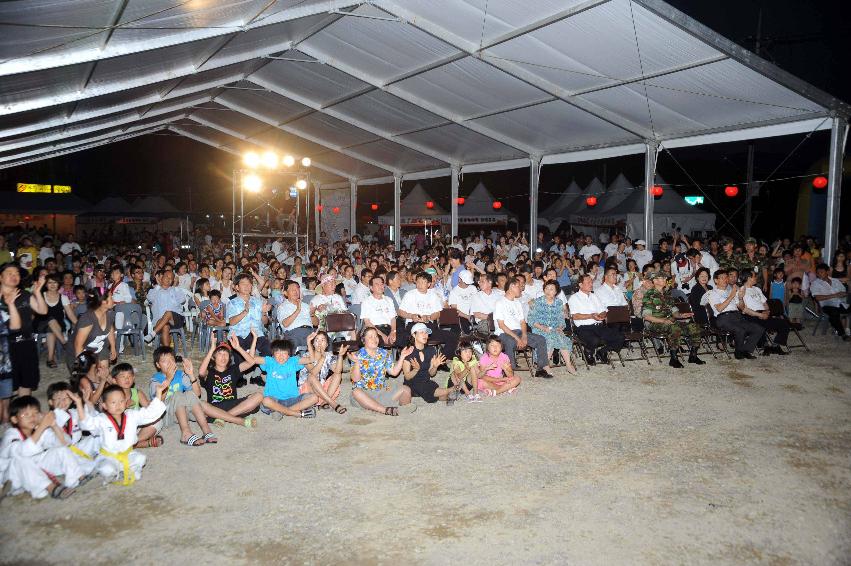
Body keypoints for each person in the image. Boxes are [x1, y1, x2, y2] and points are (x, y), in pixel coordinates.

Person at [81, 383, 167, 485]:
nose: (118, 405)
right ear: (104, 406)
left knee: (141, 459)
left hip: (127, 454)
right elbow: (87, 424)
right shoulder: (102, 420)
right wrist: (82, 403)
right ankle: (106, 468)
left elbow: (149, 414)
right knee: (107, 470)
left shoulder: (131, 415)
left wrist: (158, 393)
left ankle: (122, 470)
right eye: (113, 402)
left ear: (125, 402)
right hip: (109, 456)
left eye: (121, 401)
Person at [0, 395, 86, 499]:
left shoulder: (39, 429)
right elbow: (22, 452)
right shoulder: (11, 434)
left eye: (35, 413)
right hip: (12, 476)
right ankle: (52, 488)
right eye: (26, 414)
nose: (32, 417)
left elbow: (65, 443)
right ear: (14, 419)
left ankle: (76, 478)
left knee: (61, 450)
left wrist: (54, 425)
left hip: (35, 470)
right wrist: (42, 426)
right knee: (21, 460)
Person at [149, 347, 217, 446]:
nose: (169, 363)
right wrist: (168, 379)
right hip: (165, 416)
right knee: (177, 394)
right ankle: (185, 433)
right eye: (165, 361)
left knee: (189, 393)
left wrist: (191, 374)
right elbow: (158, 402)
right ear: (158, 365)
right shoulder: (155, 380)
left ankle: (206, 430)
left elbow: (197, 394)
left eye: (171, 359)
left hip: (182, 413)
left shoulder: (180, 375)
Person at [240, 339, 318, 419]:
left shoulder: (293, 361)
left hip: (293, 399)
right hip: (274, 400)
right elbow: (251, 358)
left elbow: (311, 360)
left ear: (289, 355)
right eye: (278, 353)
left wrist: (308, 342)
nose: (281, 356)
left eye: (284, 353)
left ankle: (283, 412)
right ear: (273, 355)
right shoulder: (270, 361)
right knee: (265, 401)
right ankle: (292, 412)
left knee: (314, 398)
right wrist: (255, 339)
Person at [0, 264, 47, 396]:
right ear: (0, 277)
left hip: (27, 343)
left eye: (17, 274)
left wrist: (37, 292)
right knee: (7, 388)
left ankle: (24, 411)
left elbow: (42, 311)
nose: (14, 276)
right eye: (10, 273)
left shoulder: (25, 294)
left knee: (27, 382)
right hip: (6, 347)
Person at [198, 333, 263, 427]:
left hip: (234, 405)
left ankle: (222, 418)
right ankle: (238, 421)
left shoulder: (233, 370)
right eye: (220, 354)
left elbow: (251, 362)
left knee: (259, 396)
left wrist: (238, 348)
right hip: (215, 407)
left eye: (226, 354)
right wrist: (212, 349)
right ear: (213, 357)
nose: (223, 357)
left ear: (229, 358)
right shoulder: (209, 372)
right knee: (201, 404)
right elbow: (201, 372)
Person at [493, 276, 553, 378]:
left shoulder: (517, 303)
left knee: (541, 339)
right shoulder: (500, 303)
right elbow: (502, 325)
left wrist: (524, 336)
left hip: (519, 332)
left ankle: (540, 369)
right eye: (518, 286)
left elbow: (522, 322)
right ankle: (509, 372)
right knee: (510, 342)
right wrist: (518, 339)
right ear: (511, 287)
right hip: (504, 334)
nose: (521, 288)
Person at [642, 272, 705, 367]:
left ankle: (693, 356)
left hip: (670, 321)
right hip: (655, 323)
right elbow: (646, 316)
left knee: (694, 326)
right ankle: (673, 358)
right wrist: (664, 321)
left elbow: (674, 311)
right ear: (654, 281)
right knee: (674, 327)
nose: (665, 280)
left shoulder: (667, 294)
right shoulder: (649, 295)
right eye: (662, 278)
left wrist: (681, 315)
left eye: (665, 278)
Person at [700, 270, 764, 358]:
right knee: (740, 330)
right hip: (723, 318)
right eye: (722, 278)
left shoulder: (731, 291)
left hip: (737, 316)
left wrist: (741, 298)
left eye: (726, 277)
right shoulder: (712, 293)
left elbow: (741, 307)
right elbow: (719, 308)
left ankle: (746, 350)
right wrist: (732, 295)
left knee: (758, 329)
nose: (725, 280)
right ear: (716, 280)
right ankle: (738, 352)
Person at [349, 327, 413, 416]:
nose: (374, 339)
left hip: (381, 391)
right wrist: (356, 363)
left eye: (376, 336)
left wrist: (402, 356)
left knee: (406, 389)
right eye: (370, 337)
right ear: (363, 340)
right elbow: (355, 379)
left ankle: (403, 409)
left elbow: (394, 372)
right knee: (356, 392)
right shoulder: (357, 355)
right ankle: (385, 410)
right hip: (365, 394)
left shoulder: (384, 353)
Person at [568, 273, 625, 365]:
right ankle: (588, 352)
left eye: (591, 282)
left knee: (620, 337)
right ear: (580, 285)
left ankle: (602, 351)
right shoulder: (574, 298)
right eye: (588, 282)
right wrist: (591, 316)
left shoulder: (594, 296)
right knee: (595, 340)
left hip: (598, 325)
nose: (591, 284)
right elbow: (575, 316)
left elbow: (604, 310)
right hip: (583, 328)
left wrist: (602, 315)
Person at [397, 271, 456, 356]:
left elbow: (438, 313)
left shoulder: (433, 295)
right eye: (418, 282)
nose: (420, 284)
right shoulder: (409, 294)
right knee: (411, 338)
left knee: (452, 336)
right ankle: (416, 360)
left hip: (429, 326)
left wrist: (428, 317)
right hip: (413, 325)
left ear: (429, 284)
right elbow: (401, 312)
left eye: (423, 282)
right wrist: (411, 316)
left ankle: (441, 360)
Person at [109, 363, 164, 448]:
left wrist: (156, 399)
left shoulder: (137, 393)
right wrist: (124, 408)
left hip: (137, 428)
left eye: (129, 376)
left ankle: (134, 443)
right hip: (121, 429)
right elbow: (109, 418)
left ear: (133, 378)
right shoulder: (112, 395)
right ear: (114, 381)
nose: (127, 379)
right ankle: (144, 443)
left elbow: (150, 410)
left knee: (157, 421)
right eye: (122, 376)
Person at [528, 280, 576, 373]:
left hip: (554, 329)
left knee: (563, 339)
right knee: (549, 339)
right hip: (539, 328)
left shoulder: (558, 303)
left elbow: (561, 319)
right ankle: (545, 365)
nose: (548, 291)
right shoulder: (537, 302)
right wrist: (543, 328)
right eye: (546, 289)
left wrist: (560, 327)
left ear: (556, 292)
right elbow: (531, 320)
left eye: (551, 289)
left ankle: (568, 365)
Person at [402, 323, 454, 404]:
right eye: (421, 332)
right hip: (412, 384)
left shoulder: (431, 350)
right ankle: (451, 390)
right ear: (414, 335)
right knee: (427, 388)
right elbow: (407, 377)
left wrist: (435, 367)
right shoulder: (408, 352)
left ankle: (449, 397)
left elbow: (431, 374)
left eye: (426, 332)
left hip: (425, 381)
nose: (425, 335)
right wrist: (415, 370)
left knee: (429, 388)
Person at [740, 271, 790, 353]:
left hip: (763, 314)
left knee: (784, 323)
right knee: (759, 325)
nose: (756, 278)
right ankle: (765, 345)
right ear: (749, 278)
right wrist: (759, 314)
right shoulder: (742, 290)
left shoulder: (757, 289)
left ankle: (775, 346)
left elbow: (765, 303)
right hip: (751, 315)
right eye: (754, 276)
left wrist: (767, 312)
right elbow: (744, 309)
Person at [297, 331, 347, 414]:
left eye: (323, 340)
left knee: (337, 375)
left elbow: (337, 370)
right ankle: (332, 403)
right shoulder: (306, 356)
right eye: (317, 340)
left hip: (321, 390)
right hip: (308, 389)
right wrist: (322, 358)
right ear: (313, 344)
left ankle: (324, 402)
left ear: (327, 344)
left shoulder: (329, 355)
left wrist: (340, 356)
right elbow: (313, 373)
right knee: (312, 377)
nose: (320, 343)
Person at [68, 289, 117, 372]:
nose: (114, 299)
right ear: (103, 302)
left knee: (103, 375)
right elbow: (78, 345)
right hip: (82, 352)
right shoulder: (88, 319)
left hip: (99, 348)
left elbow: (110, 329)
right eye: (111, 297)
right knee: (90, 379)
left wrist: (113, 347)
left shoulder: (110, 314)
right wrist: (82, 365)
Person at [33, 274, 71, 368]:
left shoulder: (63, 297)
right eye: (50, 282)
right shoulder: (40, 295)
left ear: (59, 284)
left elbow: (70, 314)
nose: (52, 284)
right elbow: (34, 313)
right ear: (45, 284)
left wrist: (79, 324)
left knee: (51, 327)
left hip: (57, 325)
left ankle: (50, 359)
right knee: (50, 319)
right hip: (40, 324)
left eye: (55, 282)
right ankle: (64, 343)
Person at [145, 270, 186, 347]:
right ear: (162, 277)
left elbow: (182, 300)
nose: (168, 279)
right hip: (159, 321)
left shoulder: (175, 290)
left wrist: (175, 287)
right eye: (166, 276)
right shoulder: (154, 291)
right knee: (165, 326)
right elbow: (149, 298)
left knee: (168, 312)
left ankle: (152, 334)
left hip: (176, 320)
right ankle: (168, 352)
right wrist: (158, 285)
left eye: (171, 278)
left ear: (173, 281)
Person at [809, 263, 850, 340]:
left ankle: (841, 327)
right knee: (834, 312)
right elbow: (818, 298)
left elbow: (844, 292)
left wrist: (842, 294)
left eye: (821, 272)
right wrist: (834, 295)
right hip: (826, 305)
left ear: (827, 272)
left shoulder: (835, 281)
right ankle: (843, 334)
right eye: (818, 273)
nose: (819, 274)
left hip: (840, 303)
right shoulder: (815, 283)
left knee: (837, 312)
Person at [360, 275, 398, 347]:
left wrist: (393, 331)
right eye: (377, 284)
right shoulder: (367, 301)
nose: (381, 286)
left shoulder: (389, 300)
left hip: (390, 329)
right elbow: (367, 323)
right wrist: (382, 335)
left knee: (403, 338)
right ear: (371, 288)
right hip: (375, 329)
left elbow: (393, 318)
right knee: (378, 341)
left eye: (382, 284)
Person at [276, 279, 313, 351]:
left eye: (297, 289)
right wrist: (298, 310)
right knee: (292, 344)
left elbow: (316, 323)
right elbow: (285, 324)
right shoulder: (282, 307)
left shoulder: (305, 305)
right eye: (292, 289)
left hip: (310, 331)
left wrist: (312, 314)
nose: (296, 291)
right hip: (293, 333)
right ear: (286, 293)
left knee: (324, 339)